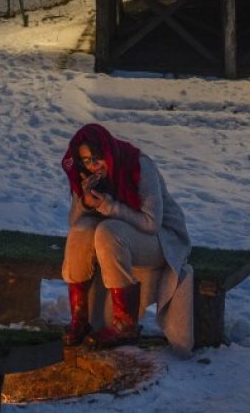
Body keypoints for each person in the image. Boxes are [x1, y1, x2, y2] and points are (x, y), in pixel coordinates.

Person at [60, 123, 193, 354]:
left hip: (163, 239)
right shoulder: (87, 176)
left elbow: (152, 223)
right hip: (121, 233)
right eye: (86, 161)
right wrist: (85, 202)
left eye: (98, 158)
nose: (94, 166)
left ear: (108, 151)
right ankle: (80, 318)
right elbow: (74, 221)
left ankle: (125, 326)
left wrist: (111, 207)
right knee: (81, 230)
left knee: (107, 231)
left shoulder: (138, 165)